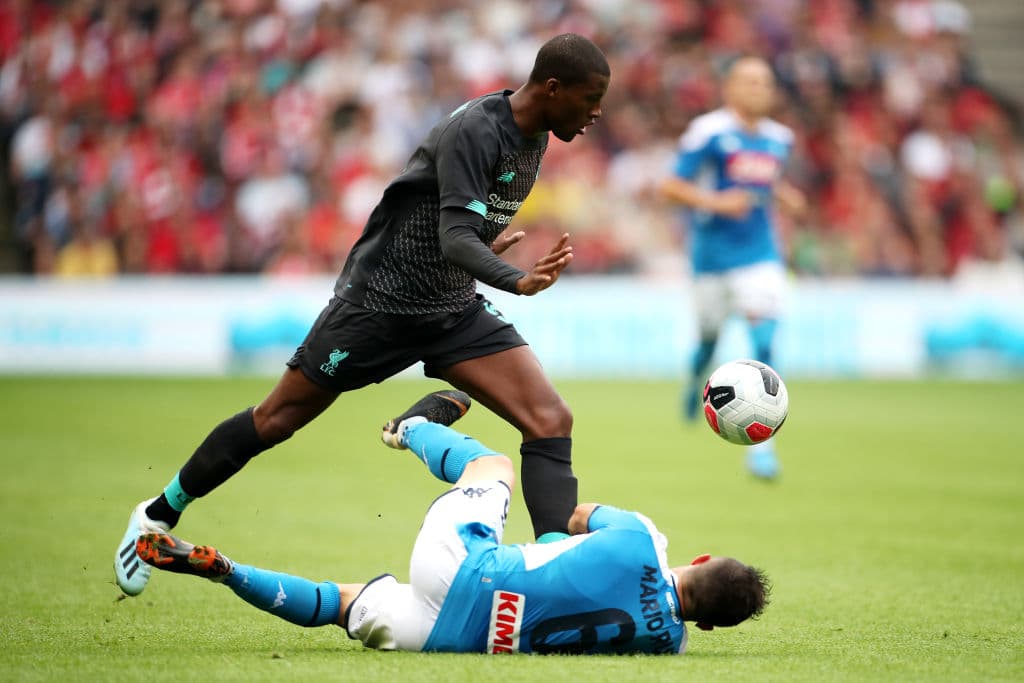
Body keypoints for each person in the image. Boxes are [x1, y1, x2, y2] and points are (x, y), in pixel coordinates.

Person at [115, 33, 611, 596]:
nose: (597, 112)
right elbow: (453, 235)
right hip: (379, 303)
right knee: (277, 418)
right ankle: (157, 513)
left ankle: (554, 579)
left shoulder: (537, 136)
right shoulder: (478, 129)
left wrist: (485, 255)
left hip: (450, 306)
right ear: (552, 88)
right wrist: (516, 279)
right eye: (591, 98)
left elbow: (459, 224)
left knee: (550, 419)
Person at [135, 390, 771, 654]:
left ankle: (410, 429)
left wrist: (562, 542)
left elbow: (570, 518)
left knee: (494, 467)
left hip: (468, 568)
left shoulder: (643, 539)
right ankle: (225, 571)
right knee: (338, 603)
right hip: (465, 638)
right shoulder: (667, 645)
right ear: (708, 624)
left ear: (701, 558)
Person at [661, 56, 806, 480]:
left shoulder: (780, 138)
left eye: (765, 82)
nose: (759, 89)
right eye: (749, 82)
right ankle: (694, 382)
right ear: (730, 89)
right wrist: (716, 203)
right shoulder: (709, 132)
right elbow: (670, 185)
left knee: (763, 341)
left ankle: (763, 448)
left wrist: (783, 196)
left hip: (761, 255)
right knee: (708, 341)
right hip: (711, 258)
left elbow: (763, 182)